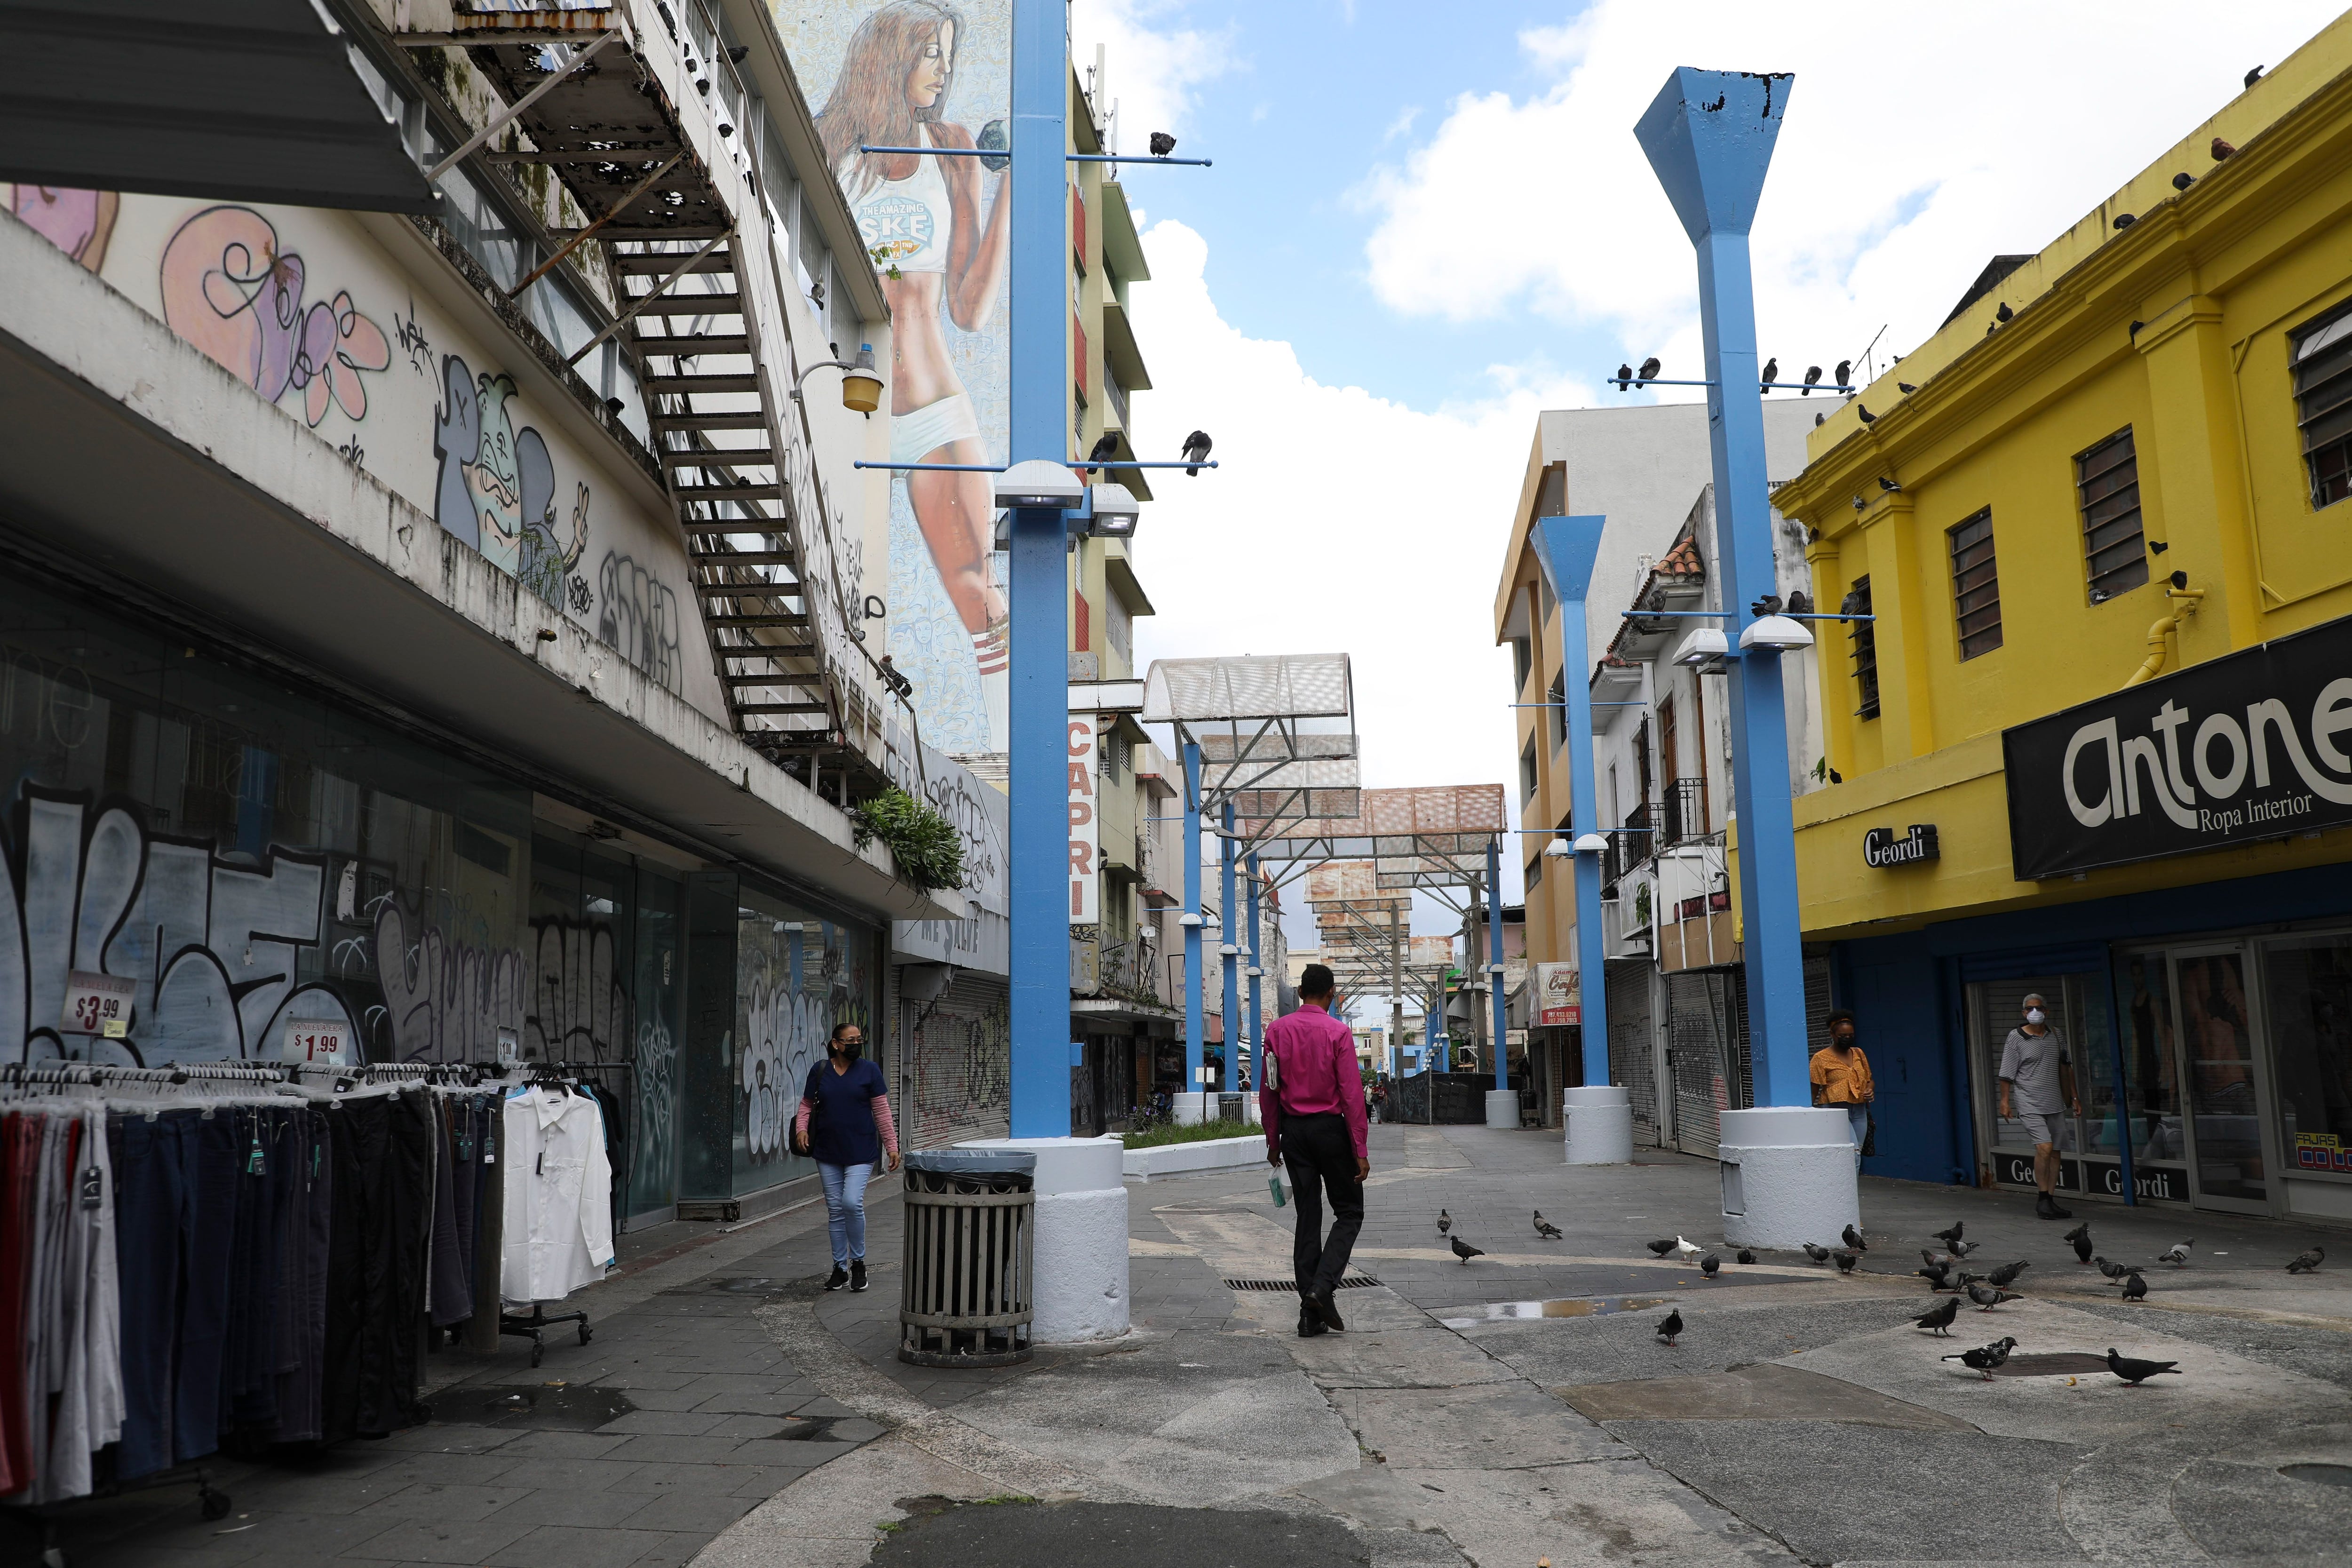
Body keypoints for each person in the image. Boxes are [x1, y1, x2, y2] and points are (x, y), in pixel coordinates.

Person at [814, 2, 1013, 740]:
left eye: (951, 56)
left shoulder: (953, 147)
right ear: (890, 57)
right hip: (845, 405)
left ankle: (1007, 756)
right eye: (932, 54)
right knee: (832, 588)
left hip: (933, 405)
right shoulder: (832, 146)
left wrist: (1009, 195)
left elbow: (969, 309)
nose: (946, 71)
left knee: (977, 590)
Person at [1262, 964, 1368, 1338]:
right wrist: (1360, 1147)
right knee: (1350, 1212)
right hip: (1330, 1131)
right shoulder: (1338, 1032)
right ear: (1331, 994)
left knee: (1308, 1215)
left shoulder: (1277, 1030)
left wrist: (1273, 1140)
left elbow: (1269, 1089)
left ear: (1301, 991)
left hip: (1294, 1132)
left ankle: (1310, 1316)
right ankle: (1321, 1290)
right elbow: (1352, 1094)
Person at [794, 1021, 901, 1291]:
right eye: (850, 1040)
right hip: (828, 1151)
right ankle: (840, 1268)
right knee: (835, 1211)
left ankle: (859, 1264)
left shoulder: (870, 1071)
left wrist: (892, 1146)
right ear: (836, 1044)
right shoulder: (820, 1071)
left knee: (851, 1203)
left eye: (859, 1039)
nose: (856, 1044)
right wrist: (801, 1130)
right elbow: (807, 1105)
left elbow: (882, 1112)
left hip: (861, 1151)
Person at [1998, 992, 2082, 1219]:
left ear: (2046, 1011)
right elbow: (2006, 1073)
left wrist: (2074, 1097)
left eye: (2039, 1008)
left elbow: (2067, 1067)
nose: (2035, 1013)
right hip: (2029, 1100)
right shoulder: (2016, 1037)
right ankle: (2042, 1198)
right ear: (2024, 1013)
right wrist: (2005, 1101)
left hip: (2054, 1100)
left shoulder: (2056, 1035)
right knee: (2044, 1147)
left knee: (2055, 1151)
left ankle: (2050, 1200)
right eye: (2030, 1009)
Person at [1810, 1010, 1875, 1167]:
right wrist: (1811, 1115)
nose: (1847, 1039)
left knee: (1857, 1153)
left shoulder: (1858, 1053)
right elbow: (1814, 1089)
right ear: (1832, 1035)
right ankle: (1850, 1192)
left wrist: (1870, 1090)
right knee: (1851, 1156)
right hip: (1835, 1110)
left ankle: (1851, 1191)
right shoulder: (1821, 1058)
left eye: (1851, 1035)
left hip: (1859, 1110)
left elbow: (1869, 1080)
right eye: (1843, 1036)